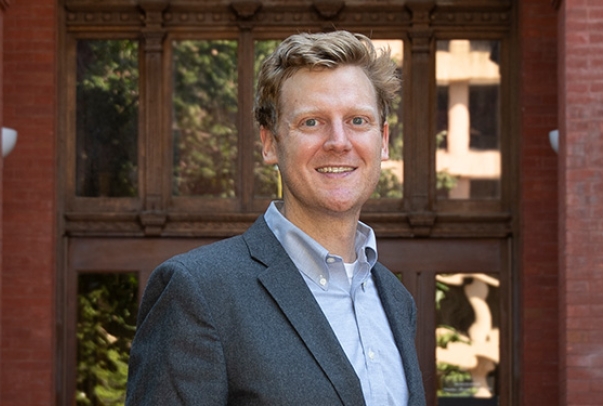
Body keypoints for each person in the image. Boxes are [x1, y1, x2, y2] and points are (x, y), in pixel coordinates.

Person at [125, 30, 425, 406]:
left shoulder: (395, 299)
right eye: (311, 122)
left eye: (357, 121)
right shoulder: (200, 291)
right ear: (270, 143)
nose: (339, 141)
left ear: (383, 141)